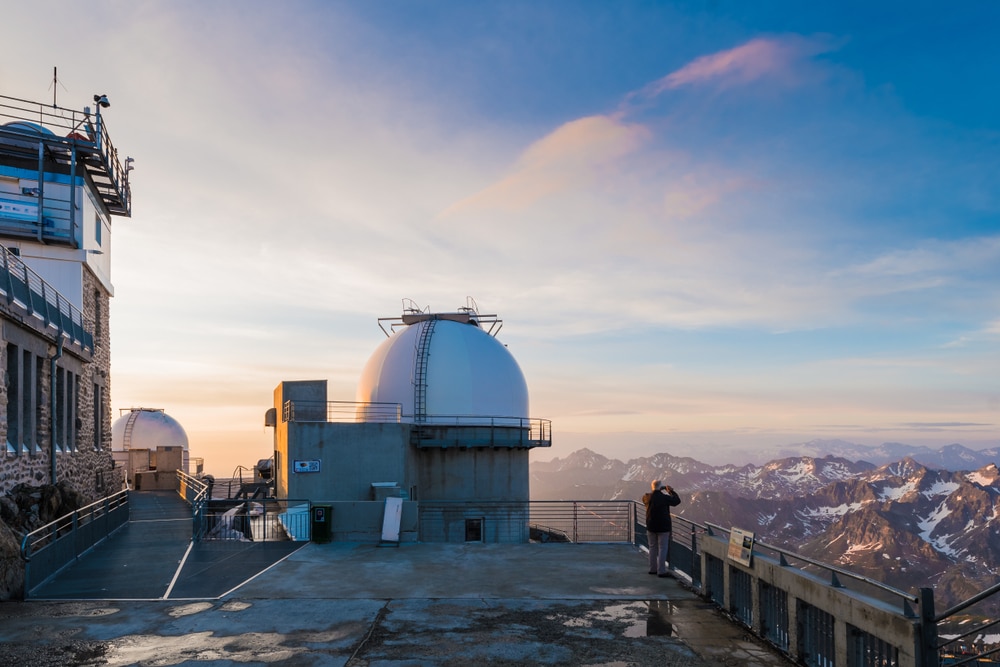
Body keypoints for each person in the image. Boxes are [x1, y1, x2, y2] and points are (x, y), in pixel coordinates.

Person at [642, 479, 681, 577]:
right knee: (662, 548)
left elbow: (646, 498)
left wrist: (657, 489)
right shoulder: (664, 498)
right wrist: (670, 491)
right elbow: (677, 501)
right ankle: (661, 571)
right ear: (661, 487)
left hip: (651, 526)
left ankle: (652, 569)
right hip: (663, 527)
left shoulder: (646, 497)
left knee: (652, 547)